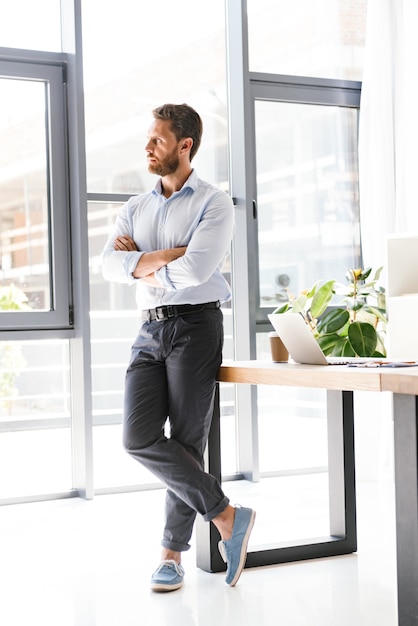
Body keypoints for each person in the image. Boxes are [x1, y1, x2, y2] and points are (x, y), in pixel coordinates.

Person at [102, 103, 255, 592]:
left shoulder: (214, 203)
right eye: (149, 138)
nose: (148, 148)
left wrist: (141, 265)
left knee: (187, 441)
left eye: (158, 140)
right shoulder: (136, 207)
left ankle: (170, 556)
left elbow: (196, 271)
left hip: (196, 326)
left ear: (185, 145)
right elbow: (107, 265)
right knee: (138, 437)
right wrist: (169, 256)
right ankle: (227, 514)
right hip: (149, 330)